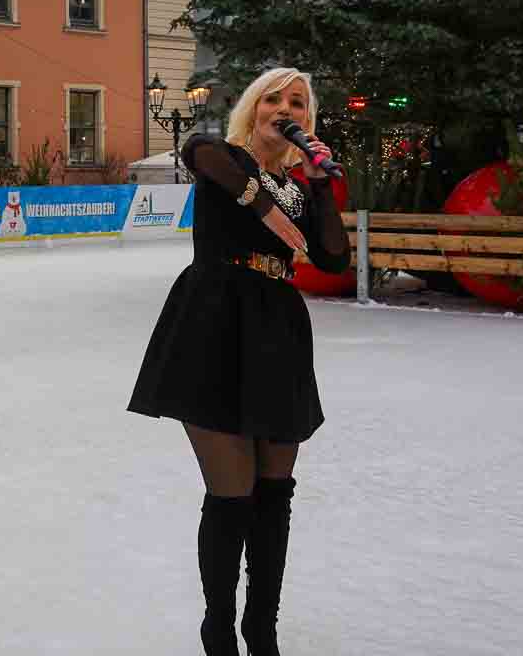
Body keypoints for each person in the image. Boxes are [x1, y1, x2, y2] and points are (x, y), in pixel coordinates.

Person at [127, 67, 349, 656]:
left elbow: (331, 256)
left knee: (274, 494)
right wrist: (260, 208)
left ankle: (262, 630)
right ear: (254, 109)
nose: (285, 108)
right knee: (232, 495)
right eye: (273, 98)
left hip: (277, 331)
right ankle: (219, 631)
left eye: (298, 102)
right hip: (214, 324)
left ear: (310, 118)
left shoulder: (302, 187)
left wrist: (321, 183)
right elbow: (196, 149)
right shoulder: (228, 160)